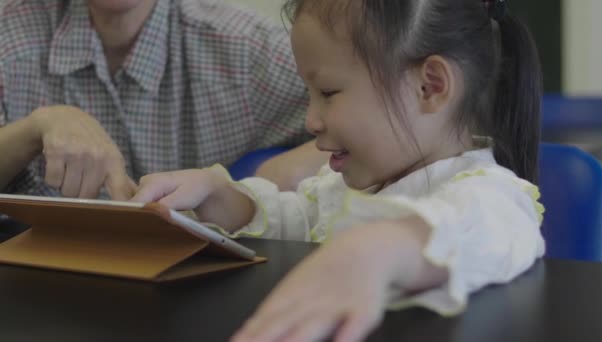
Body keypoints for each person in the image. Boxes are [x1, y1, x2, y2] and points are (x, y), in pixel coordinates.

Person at [132, 0, 546, 341]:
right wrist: (220, 195)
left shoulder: (488, 192)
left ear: (430, 86)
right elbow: (301, 217)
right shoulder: (346, 185)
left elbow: (489, 230)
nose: (311, 121)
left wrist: (379, 249)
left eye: (328, 93)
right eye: (309, 96)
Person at [0, 0, 327, 201]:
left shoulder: (243, 49)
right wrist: (36, 128)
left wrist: (294, 168)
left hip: (199, 288)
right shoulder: (10, 36)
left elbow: (373, 119)